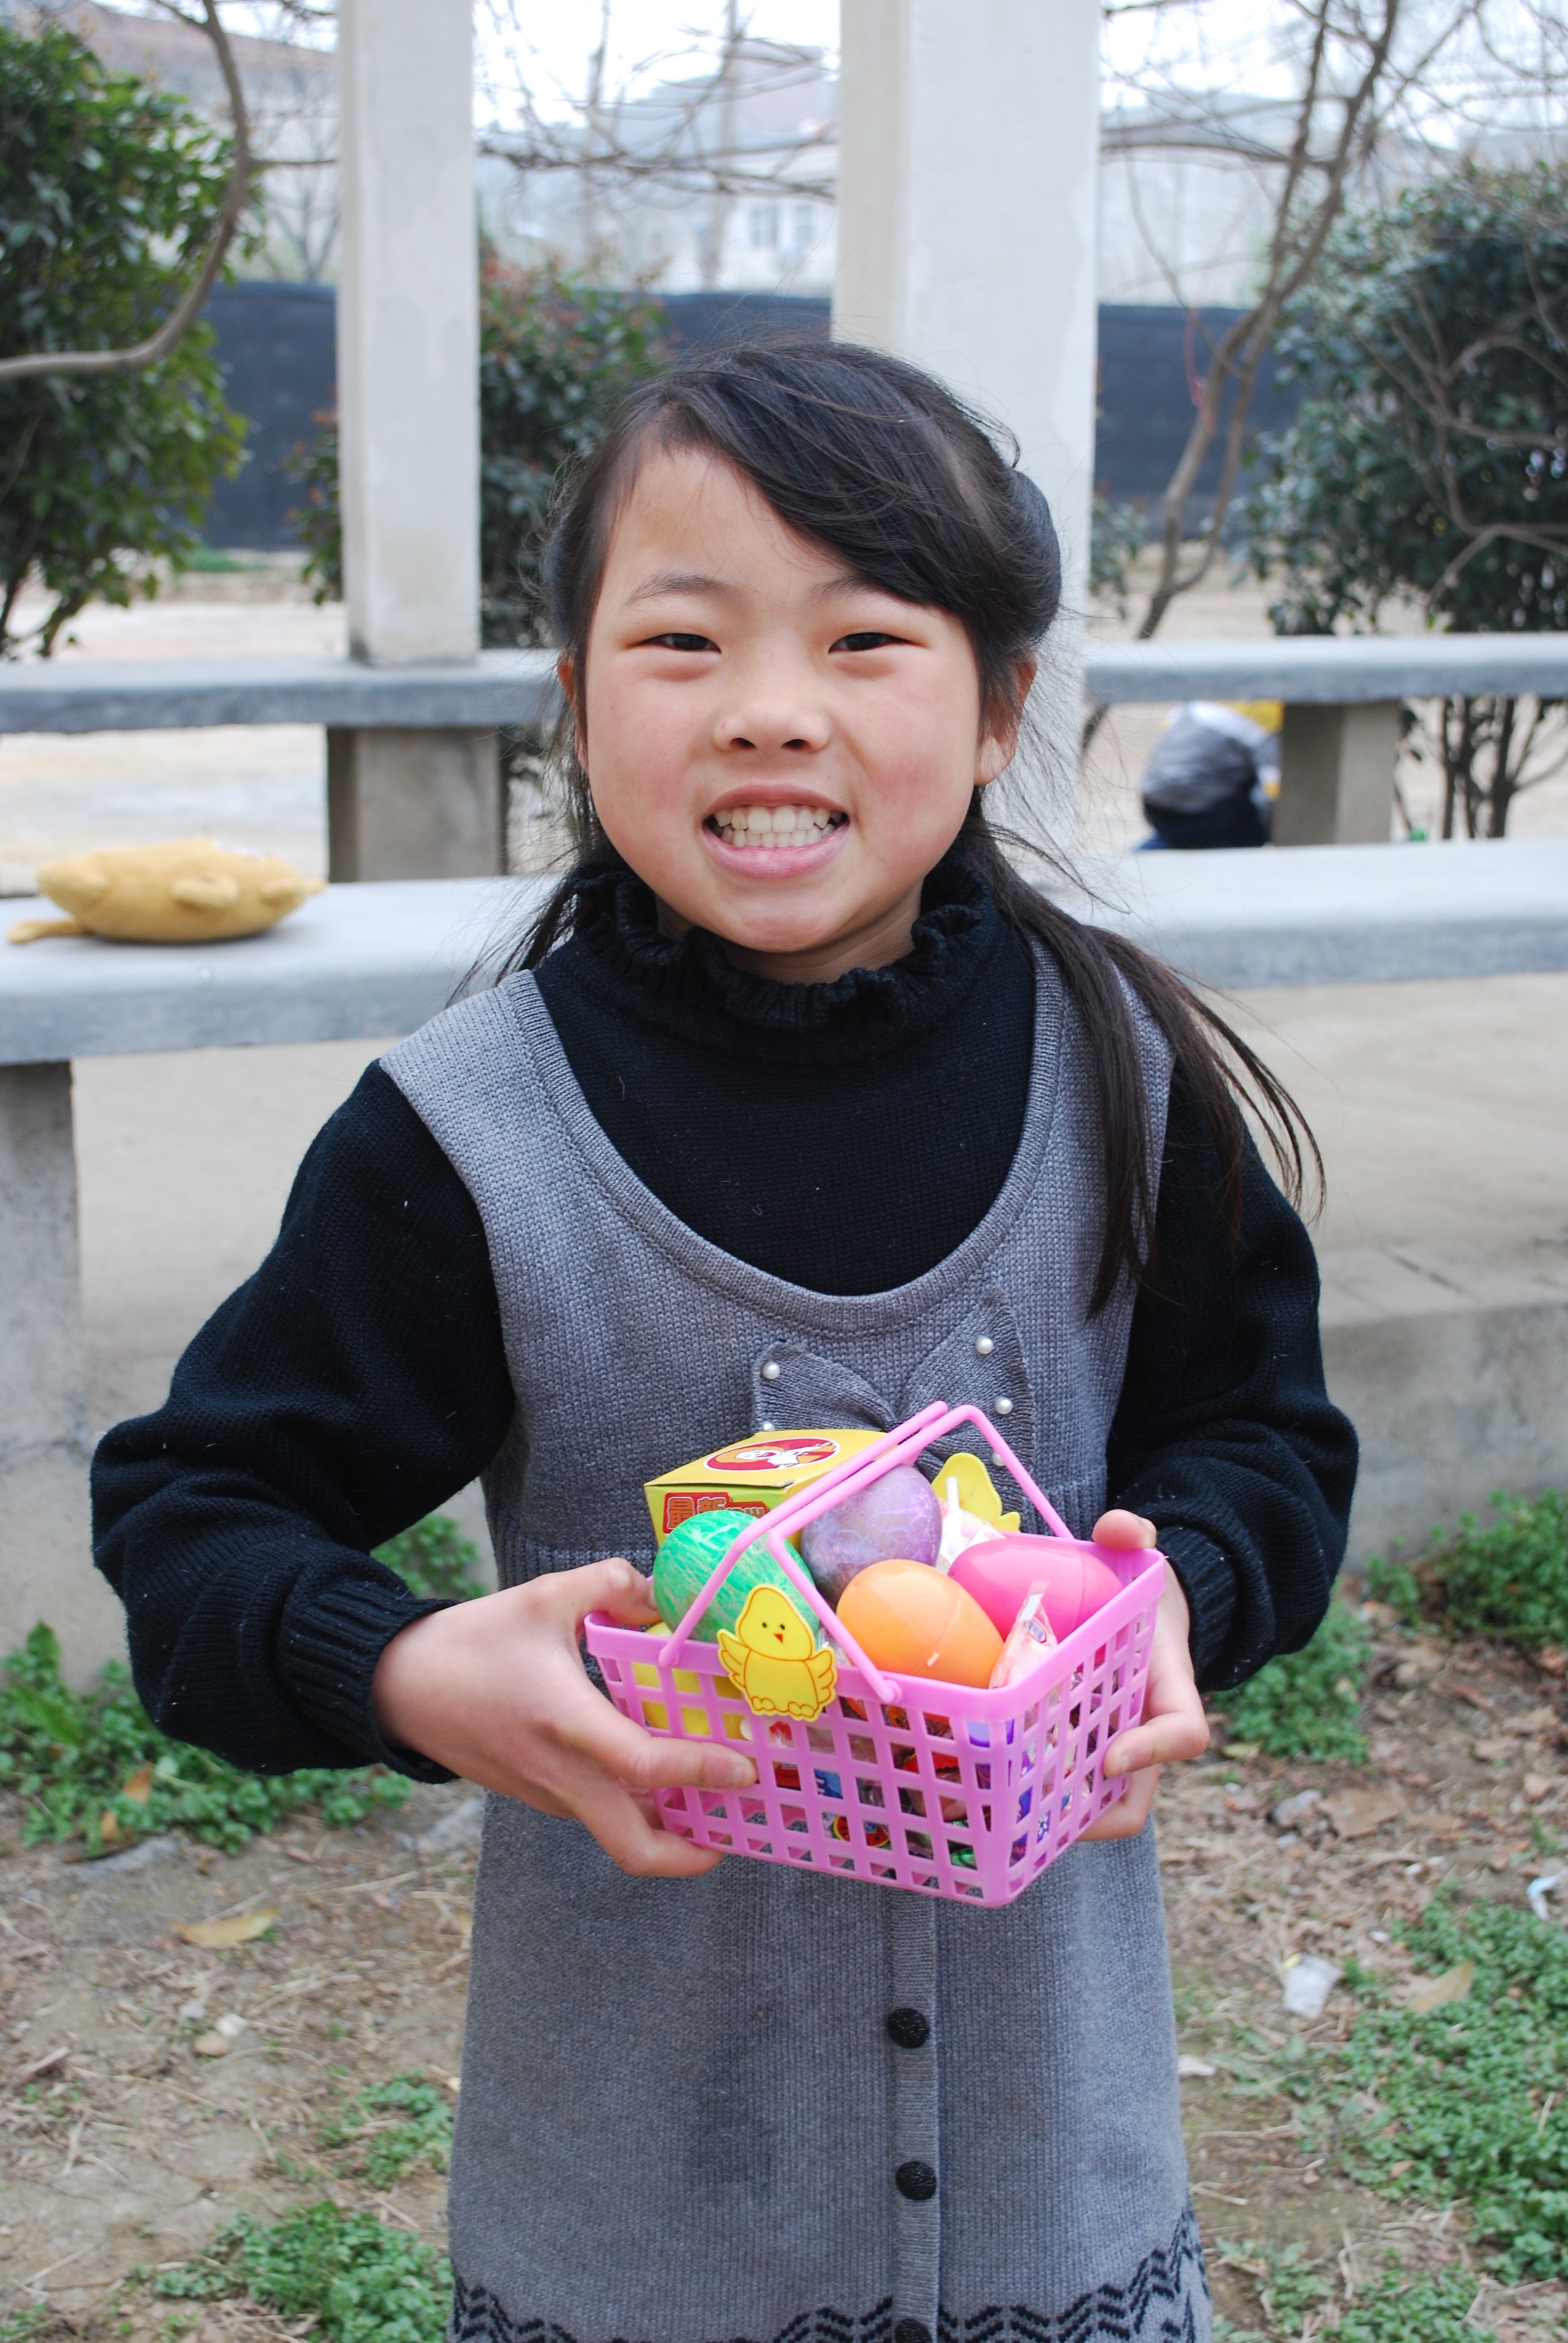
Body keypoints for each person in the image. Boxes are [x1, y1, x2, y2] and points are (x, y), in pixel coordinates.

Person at [93, 343, 1355, 2343]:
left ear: (1000, 703)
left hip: (1064, 2197)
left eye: (866, 638)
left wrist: (1174, 1589)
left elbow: (1265, 1438)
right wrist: (403, 1667)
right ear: (577, 702)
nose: (771, 707)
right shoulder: (469, 1137)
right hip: (635, 2227)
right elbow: (198, 1513)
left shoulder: (1123, 1074)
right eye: (682, 640)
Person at [1138, 699, 1284, 850]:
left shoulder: (1207, 694)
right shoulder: (1273, 716)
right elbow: (1271, 794)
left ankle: (1148, 854)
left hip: (1154, 802)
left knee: (1178, 838)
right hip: (1199, 814)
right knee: (1265, 808)